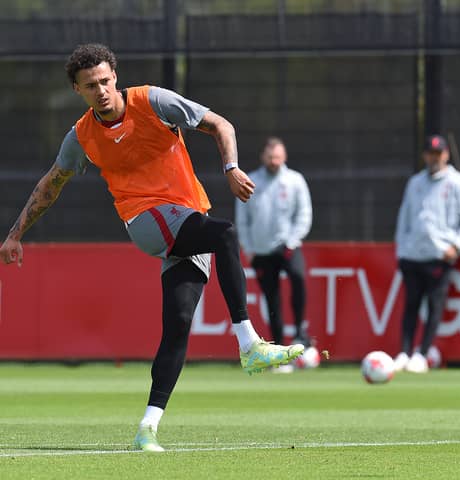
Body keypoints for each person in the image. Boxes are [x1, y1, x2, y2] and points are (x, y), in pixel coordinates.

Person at [0, 44, 305, 452]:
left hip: (186, 219)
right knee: (226, 234)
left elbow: (220, 125)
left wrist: (231, 167)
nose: (101, 90)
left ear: (116, 78)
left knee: (179, 324)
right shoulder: (82, 136)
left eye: (106, 81)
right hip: (145, 222)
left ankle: (147, 427)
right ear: (77, 89)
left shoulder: (153, 101)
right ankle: (249, 344)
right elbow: (51, 184)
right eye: (90, 85)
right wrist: (16, 233)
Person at [394, 134, 460, 373]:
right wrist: (401, 250)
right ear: (425, 156)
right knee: (410, 305)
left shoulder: (457, 183)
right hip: (412, 255)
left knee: (434, 306)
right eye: (430, 154)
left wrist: (455, 245)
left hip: (439, 255)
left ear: (446, 155)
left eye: (438, 153)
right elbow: (404, 219)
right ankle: (404, 352)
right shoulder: (415, 183)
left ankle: (422, 354)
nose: (434, 158)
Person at [235, 138, 313, 373]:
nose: (274, 161)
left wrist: (293, 240)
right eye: (270, 157)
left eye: (278, 157)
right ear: (263, 158)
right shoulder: (251, 180)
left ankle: (300, 332)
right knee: (272, 299)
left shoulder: (294, 180)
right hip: (261, 251)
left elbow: (304, 213)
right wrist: (248, 249)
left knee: (298, 278)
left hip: (288, 246)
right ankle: (279, 349)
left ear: (284, 157)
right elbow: (243, 219)